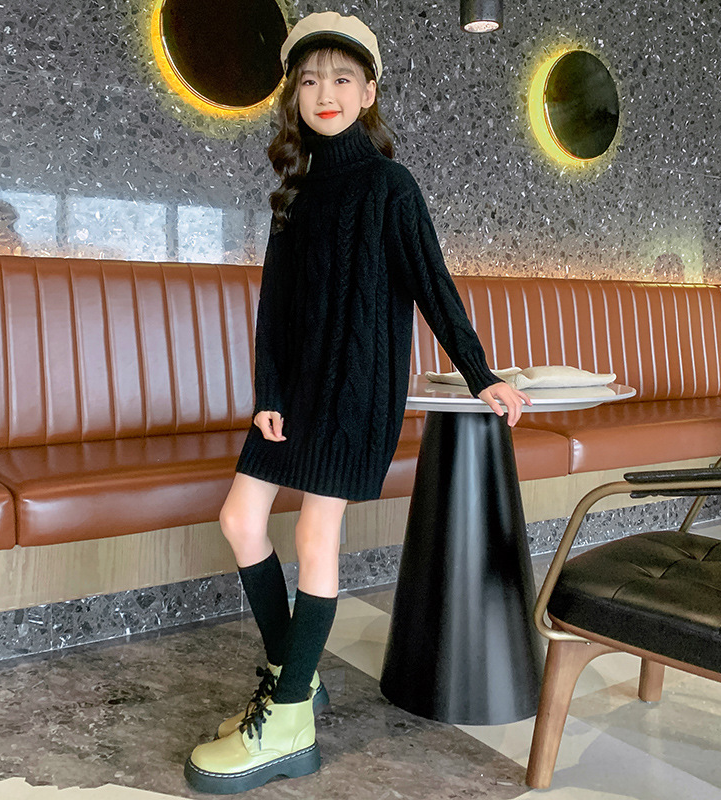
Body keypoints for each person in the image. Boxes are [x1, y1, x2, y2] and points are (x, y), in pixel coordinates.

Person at [184, 11, 530, 794]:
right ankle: (295, 675)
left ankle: (289, 721)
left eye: (342, 78)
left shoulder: (389, 187)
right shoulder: (294, 192)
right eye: (309, 80)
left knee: (315, 531)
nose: (325, 93)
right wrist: (268, 393)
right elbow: (274, 310)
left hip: (356, 390)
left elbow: (435, 287)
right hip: (295, 393)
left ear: (369, 92)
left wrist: (481, 374)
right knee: (239, 519)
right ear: (294, 96)